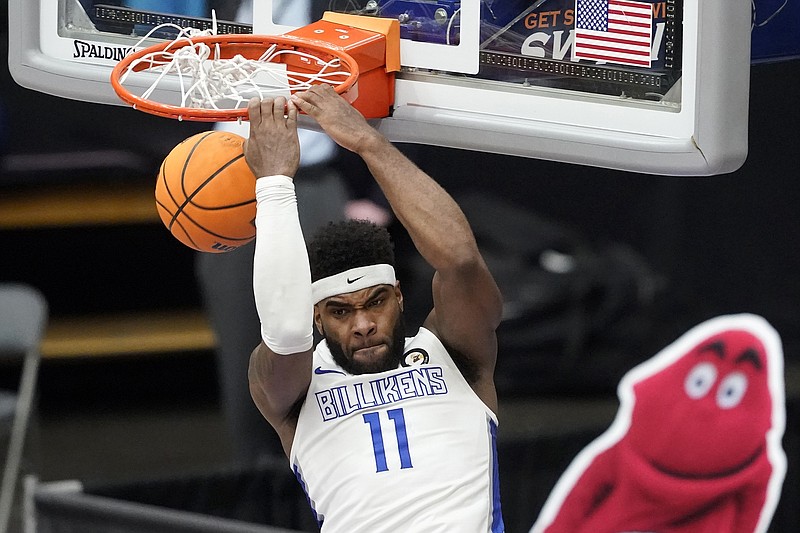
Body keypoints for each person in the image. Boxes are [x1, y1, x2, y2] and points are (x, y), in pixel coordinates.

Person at [245, 85, 506, 532]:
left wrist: (369, 142)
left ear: (400, 295)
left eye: (376, 303)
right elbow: (285, 333)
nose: (364, 325)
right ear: (316, 316)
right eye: (340, 311)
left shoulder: (455, 352)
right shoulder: (291, 386)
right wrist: (273, 183)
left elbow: (461, 261)